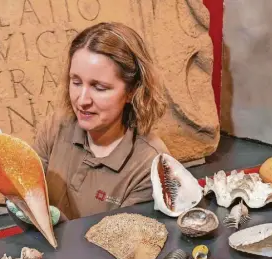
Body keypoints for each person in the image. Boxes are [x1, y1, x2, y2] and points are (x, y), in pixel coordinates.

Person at [18, 22, 170, 223]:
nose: (82, 101)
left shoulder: (150, 166)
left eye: (99, 87)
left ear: (132, 91)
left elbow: (120, 243)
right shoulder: (56, 125)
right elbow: (26, 192)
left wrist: (57, 222)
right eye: (76, 82)